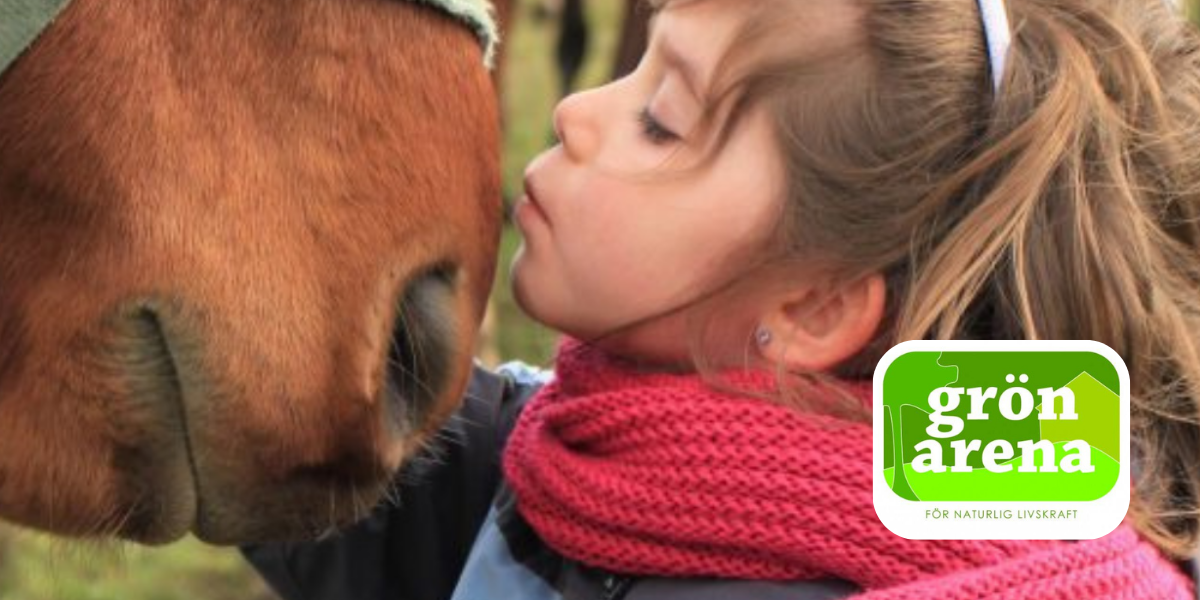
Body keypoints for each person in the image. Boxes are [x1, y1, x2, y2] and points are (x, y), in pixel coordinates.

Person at [242, 0, 1200, 597]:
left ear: (812, 310)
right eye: (635, 71)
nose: (576, 113)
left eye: (662, 121)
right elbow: (290, 430)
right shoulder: (567, 466)